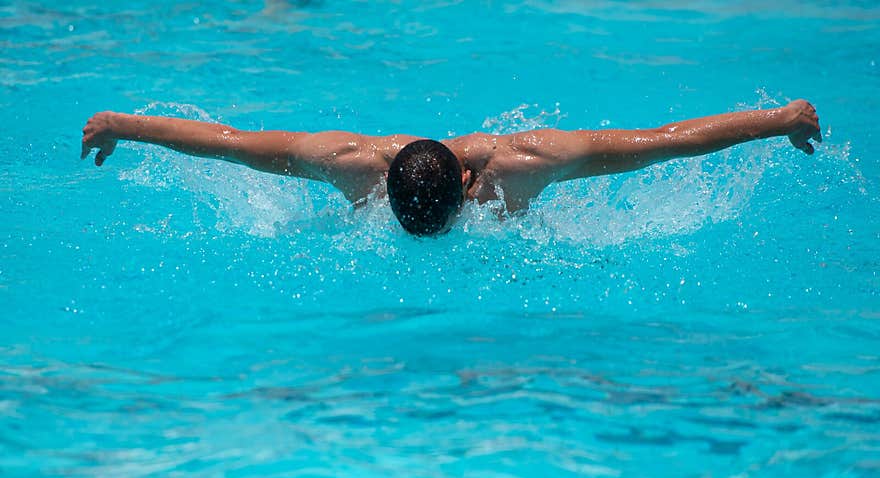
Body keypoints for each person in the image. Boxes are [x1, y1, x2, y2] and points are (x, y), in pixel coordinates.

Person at [81, 100, 821, 236]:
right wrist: (125, 127)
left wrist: (780, 120)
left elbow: (663, 140)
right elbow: (226, 141)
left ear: (472, 185)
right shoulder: (350, 165)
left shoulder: (527, 164)